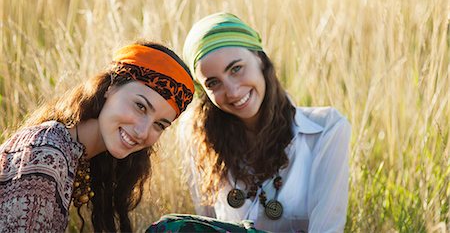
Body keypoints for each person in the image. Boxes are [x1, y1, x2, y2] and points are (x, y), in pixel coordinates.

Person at [181, 12, 351, 233]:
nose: (232, 92)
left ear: (260, 58)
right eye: (214, 82)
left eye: (236, 69)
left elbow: (327, 229)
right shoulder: (198, 136)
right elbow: (205, 228)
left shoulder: (327, 130)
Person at [0, 41, 195, 232]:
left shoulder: (78, 152)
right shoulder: (46, 152)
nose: (142, 132)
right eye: (140, 106)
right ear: (110, 88)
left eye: (159, 125)